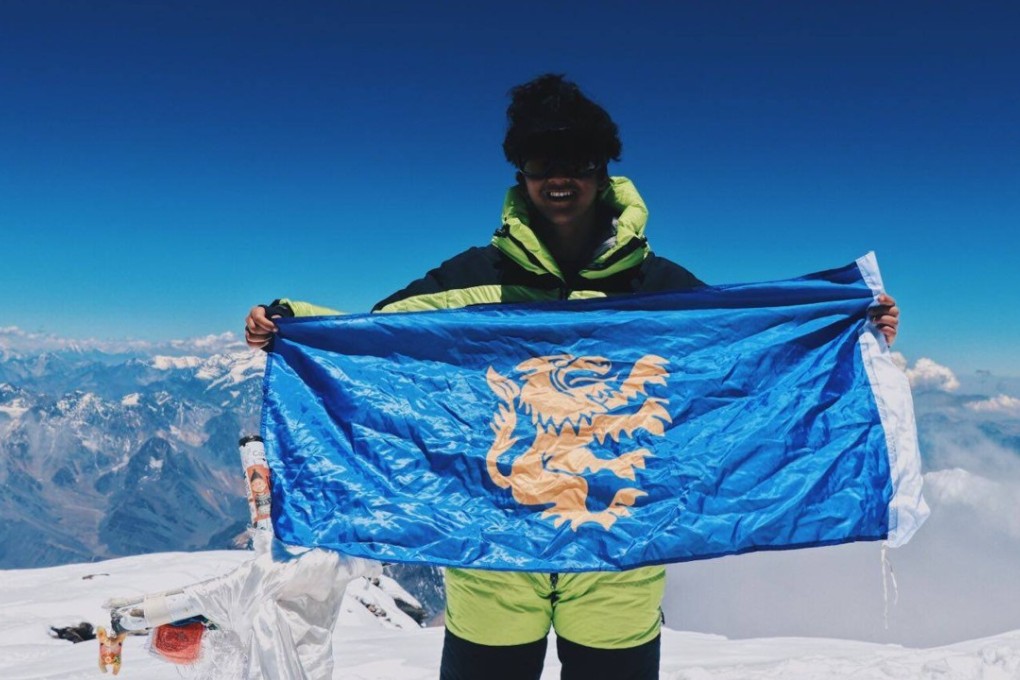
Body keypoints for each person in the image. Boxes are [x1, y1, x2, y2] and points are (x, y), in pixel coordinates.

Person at [244, 74, 900, 680]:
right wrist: (292, 324)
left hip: (618, 567)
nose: (559, 177)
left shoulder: (661, 290)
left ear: (602, 168)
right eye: (540, 161)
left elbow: (743, 360)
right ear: (520, 172)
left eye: (577, 160)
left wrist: (848, 333)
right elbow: (378, 342)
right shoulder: (472, 279)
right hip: (494, 563)